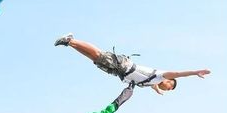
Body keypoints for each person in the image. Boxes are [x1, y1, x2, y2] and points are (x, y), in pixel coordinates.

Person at [54, 33, 211, 94]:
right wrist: (195, 72)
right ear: (169, 81)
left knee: (95, 59)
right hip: (125, 66)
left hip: (120, 72)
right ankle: (71, 40)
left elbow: (153, 86)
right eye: (170, 87)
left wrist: (157, 90)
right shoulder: (161, 75)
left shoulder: (154, 83)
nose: (167, 89)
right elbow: (178, 74)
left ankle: (70, 43)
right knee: (99, 55)